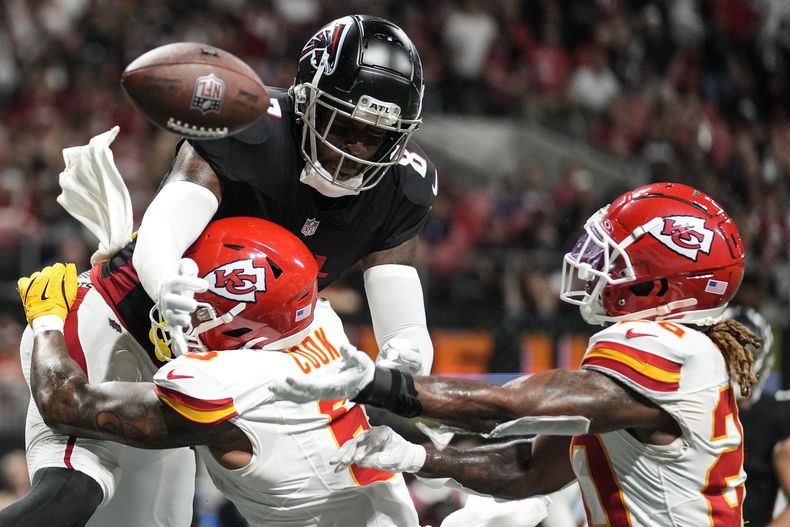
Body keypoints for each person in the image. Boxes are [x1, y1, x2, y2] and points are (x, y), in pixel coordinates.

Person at [9, 13, 436, 526]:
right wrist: (167, 280)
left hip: (209, 366)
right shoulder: (248, 128)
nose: (355, 152)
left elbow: (407, 332)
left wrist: (403, 373)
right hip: (124, 321)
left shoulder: (400, 188)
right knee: (73, 491)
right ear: (306, 100)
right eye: (344, 126)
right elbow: (163, 229)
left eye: (377, 137)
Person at [272, 182, 759, 526]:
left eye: (615, 257)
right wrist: (420, 457)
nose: (595, 265)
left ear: (659, 285)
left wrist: (376, 384)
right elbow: (527, 468)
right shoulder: (683, 353)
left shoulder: (667, 348)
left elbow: (512, 408)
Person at [11, 218, 420, 527]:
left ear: (241, 329)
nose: (183, 318)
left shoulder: (224, 382)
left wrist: (47, 320)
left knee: (76, 487)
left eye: (199, 311)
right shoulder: (319, 327)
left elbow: (67, 404)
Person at [726, 306, 790, 526]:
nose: (736, 364)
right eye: (727, 353)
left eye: (745, 354)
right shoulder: (694, 409)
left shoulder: (773, 417)